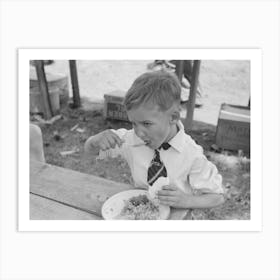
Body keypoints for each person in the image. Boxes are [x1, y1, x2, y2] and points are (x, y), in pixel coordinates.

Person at [84, 70, 224, 210]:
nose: (138, 132)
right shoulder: (131, 140)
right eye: (134, 123)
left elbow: (217, 197)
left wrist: (186, 201)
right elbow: (91, 151)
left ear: (173, 118)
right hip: (141, 213)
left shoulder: (191, 153)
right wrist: (95, 141)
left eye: (146, 124)